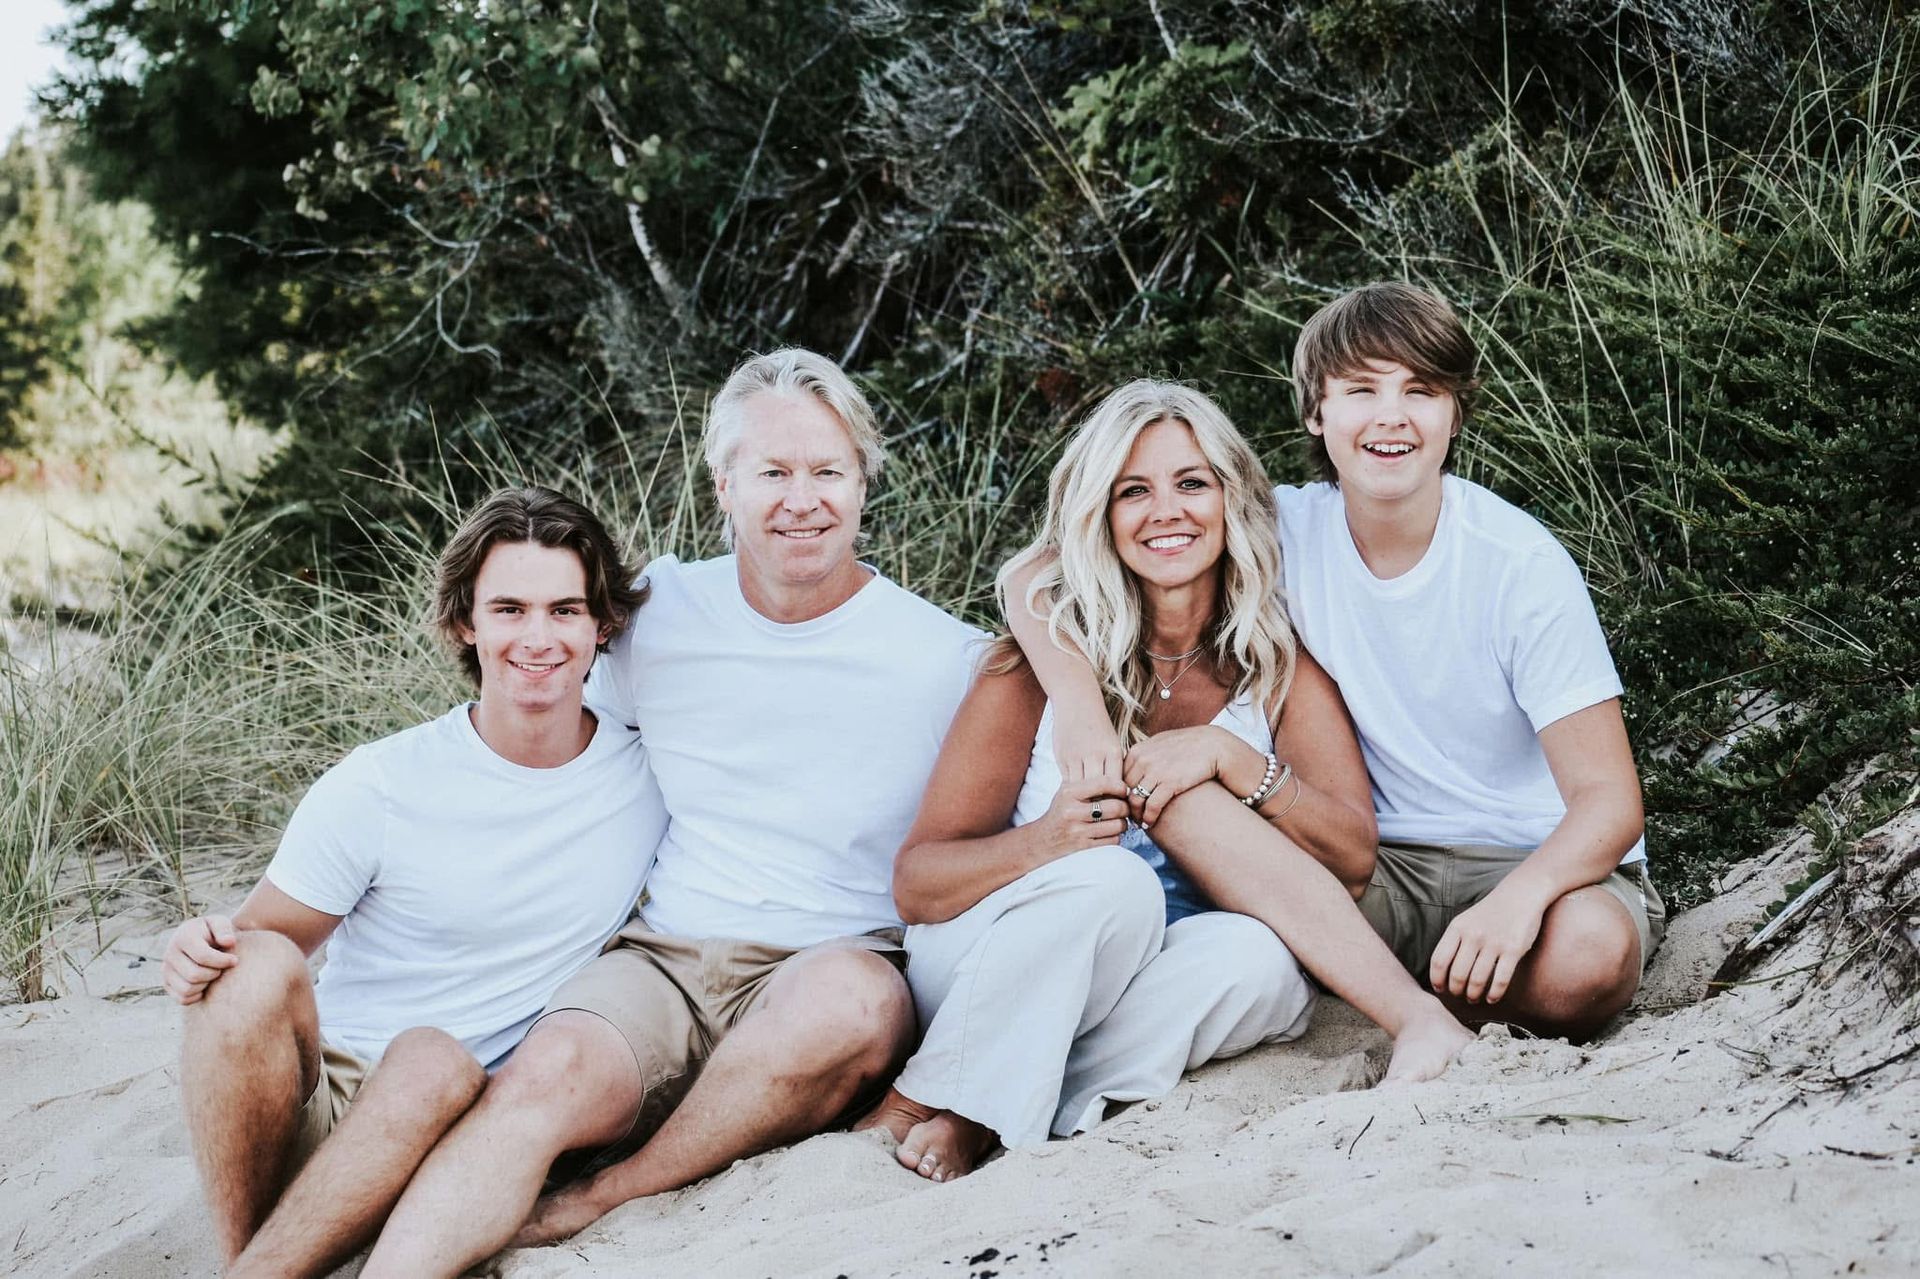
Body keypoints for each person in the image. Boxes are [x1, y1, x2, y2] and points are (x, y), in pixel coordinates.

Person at [362, 349, 983, 1276]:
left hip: (835, 960)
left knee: (850, 1003)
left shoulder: (944, 657)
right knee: (543, 1080)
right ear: (724, 482)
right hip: (664, 958)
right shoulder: (657, 615)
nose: (800, 498)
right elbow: (554, 750)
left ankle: (607, 1193)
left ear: (864, 482)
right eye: (772, 472)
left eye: (827, 471)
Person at [856, 380, 1399, 1183]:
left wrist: (1234, 756)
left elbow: (1353, 857)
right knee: (1113, 883)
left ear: (1230, 498)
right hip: (996, 959)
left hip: (1148, 984)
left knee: (1264, 966)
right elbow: (918, 885)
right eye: (1132, 491)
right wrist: (1049, 841)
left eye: (1191, 482)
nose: (1166, 511)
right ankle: (956, 1102)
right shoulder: (1034, 668)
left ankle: (997, 1097)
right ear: (1100, 517)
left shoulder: (1274, 667)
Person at [160, 486, 665, 1278]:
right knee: (250, 969)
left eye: (565, 609)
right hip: (330, 1106)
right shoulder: (383, 783)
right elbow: (256, 949)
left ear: (603, 624)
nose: (539, 636)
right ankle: (247, 1260)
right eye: (509, 609)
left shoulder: (649, 774)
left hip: (466, 1138)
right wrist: (197, 947)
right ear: (467, 619)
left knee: (434, 1059)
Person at [1278, 281, 1663, 1038]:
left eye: (1420, 389)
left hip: (1539, 861)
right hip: (1380, 867)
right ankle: (1420, 995)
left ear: (1455, 413)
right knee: (1245, 911)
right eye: (1361, 389)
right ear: (1317, 412)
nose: (1391, 415)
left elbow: (1610, 802)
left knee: (1589, 957)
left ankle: (1391, 992)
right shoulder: (1281, 531)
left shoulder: (1517, 562)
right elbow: (1043, 569)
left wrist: (1519, 901)